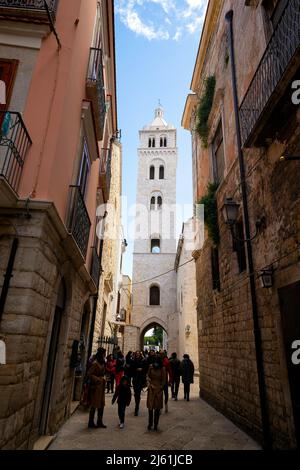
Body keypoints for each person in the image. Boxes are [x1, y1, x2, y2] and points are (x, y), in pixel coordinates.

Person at [87, 348, 107, 428]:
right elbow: (89, 374)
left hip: (101, 386)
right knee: (94, 404)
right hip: (96, 387)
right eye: (104, 353)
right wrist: (98, 379)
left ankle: (99, 421)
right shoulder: (95, 363)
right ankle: (91, 422)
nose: (105, 355)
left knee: (101, 404)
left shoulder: (102, 362)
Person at [146, 354, 166, 431]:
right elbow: (147, 376)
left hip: (158, 390)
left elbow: (164, 380)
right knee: (150, 407)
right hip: (151, 388)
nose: (155, 363)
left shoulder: (162, 369)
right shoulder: (151, 367)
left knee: (157, 408)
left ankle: (155, 424)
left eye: (157, 361)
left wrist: (160, 387)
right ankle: (150, 423)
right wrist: (149, 384)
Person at [131, 350, 147, 416]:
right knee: (135, 393)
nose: (137, 354)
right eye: (136, 353)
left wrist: (142, 369)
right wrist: (135, 369)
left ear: (140, 354)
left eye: (138, 353)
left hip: (140, 378)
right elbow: (131, 369)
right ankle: (136, 404)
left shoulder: (143, 360)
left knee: (138, 392)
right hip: (135, 378)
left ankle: (137, 407)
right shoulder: (133, 360)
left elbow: (146, 369)